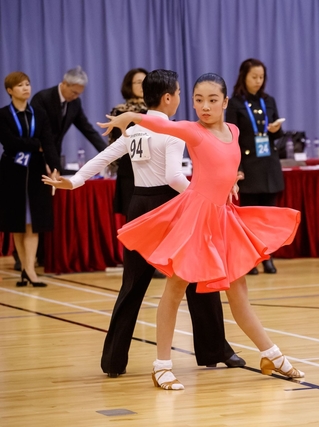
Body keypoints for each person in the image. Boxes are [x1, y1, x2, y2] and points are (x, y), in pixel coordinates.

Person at [93, 73, 303, 390]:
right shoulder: (193, 131)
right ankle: (162, 366)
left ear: (225, 102)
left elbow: (226, 164)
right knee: (175, 289)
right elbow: (162, 125)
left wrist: (231, 181)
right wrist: (132, 117)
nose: (204, 106)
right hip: (196, 219)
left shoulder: (233, 131)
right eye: (198, 100)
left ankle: (271, 354)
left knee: (238, 293)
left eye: (212, 100)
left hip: (223, 219)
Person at [43, 69, 244, 377]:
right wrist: (205, 194)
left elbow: (105, 156)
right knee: (199, 277)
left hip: (138, 206)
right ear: (168, 98)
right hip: (171, 208)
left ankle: (113, 360)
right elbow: (173, 177)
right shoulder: (173, 131)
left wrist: (75, 181)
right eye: (180, 93)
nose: (181, 98)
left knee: (133, 284)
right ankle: (215, 350)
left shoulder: (136, 129)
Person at [0, 71, 60, 286]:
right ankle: (26, 269)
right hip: (12, 171)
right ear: (10, 90)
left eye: (27, 84)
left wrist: (55, 167)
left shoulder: (39, 114)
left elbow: (48, 142)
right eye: (20, 85)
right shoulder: (3, 115)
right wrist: (36, 144)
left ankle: (30, 270)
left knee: (33, 223)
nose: (26, 88)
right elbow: (10, 142)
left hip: (36, 171)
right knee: (18, 222)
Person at [226, 58, 284, 275]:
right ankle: (250, 259)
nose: (258, 81)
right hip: (249, 166)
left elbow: (276, 136)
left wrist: (276, 129)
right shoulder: (235, 103)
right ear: (244, 77)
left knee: (269, 217)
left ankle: (268, 257)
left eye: (261, 77)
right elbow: (232, 139)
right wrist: (237, 167)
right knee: (249, 217)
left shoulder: (268, 101)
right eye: (254, 77)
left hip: (269, 164)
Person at [31, 66, 107, 157]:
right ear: (64, 83)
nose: (75, 97)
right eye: (74, 92)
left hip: (55, 154)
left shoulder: (75, 103)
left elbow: (87, 130)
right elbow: (35, 129)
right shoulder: (42, 98)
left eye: (79, 94)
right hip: (37, 153)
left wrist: (107, 152)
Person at [108, 68, 149, 216]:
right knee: (132, 219)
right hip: (129, 172)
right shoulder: (120, 111)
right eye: (138, 82)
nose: (143, 86)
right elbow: (118, 141)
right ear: (129, 85)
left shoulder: (155, 111)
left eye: (145, 82)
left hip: (153, 171)